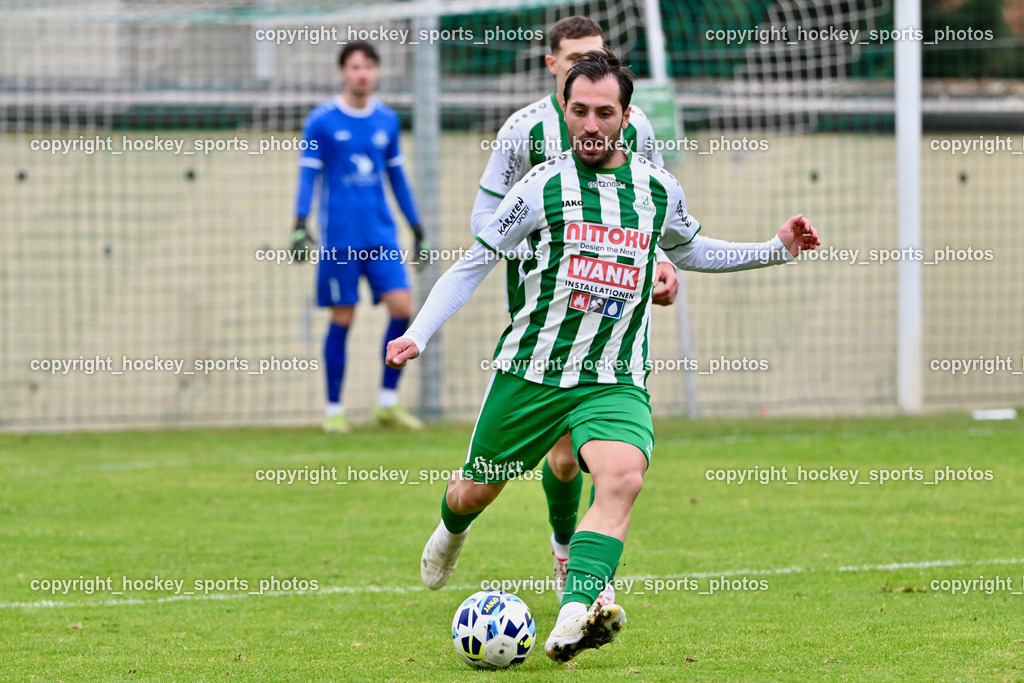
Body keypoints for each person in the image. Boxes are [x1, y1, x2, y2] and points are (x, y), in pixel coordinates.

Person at [387, 50, 819, 662]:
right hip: (533, 373)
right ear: (564, 110)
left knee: (622, 479)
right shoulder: (540, 186)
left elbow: (692, 250)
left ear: (626, 116)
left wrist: (774, 248)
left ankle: (574, 612)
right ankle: (451, 529)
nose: (591, 125)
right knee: (472, 494)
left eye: (604, 113)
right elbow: (474, 262)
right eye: (580, 111)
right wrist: (420, 332)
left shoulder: (657, 188)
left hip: (614, 376)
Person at [472, 16, 679, 607]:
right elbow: (485, 222)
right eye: (575, 59)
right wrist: (546, 248)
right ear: (554, 68)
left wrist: (665, 264)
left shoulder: (636, 127)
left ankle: (579, 574)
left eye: (600, 54)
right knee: (548, 462)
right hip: (542, 314)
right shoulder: (523, 132)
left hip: (612, 323)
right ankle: (547, 542)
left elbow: (653, 214)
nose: (591, 65)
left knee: (597, 460)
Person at [291, 41, 425, 433]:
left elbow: (397, 178)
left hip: (382, 237)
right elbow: (308, 175)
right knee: (343, 317)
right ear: (343, 72)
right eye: (354, 66)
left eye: (368, 66)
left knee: (402, 308)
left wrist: (417, 227)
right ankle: (334, 409)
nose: (362, 73)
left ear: (376, 71)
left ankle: (387, 402)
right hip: (340, 240)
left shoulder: (387, 120)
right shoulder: (321, 121)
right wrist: (299, 222)